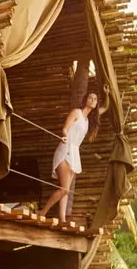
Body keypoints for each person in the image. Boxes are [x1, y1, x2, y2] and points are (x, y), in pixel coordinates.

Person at [36, 91, 102, 221]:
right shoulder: (76, 113)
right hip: (65, 149)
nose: (92, 100)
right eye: (90, 97)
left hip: (74, 153)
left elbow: (104, 108)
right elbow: (65, 128)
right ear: (85, 100)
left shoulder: (87, 120)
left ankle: (62, 219)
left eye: (95, 99)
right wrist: (65, 135)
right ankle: (42, 212)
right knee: (65, 189)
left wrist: (107, 95)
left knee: (65, 190)